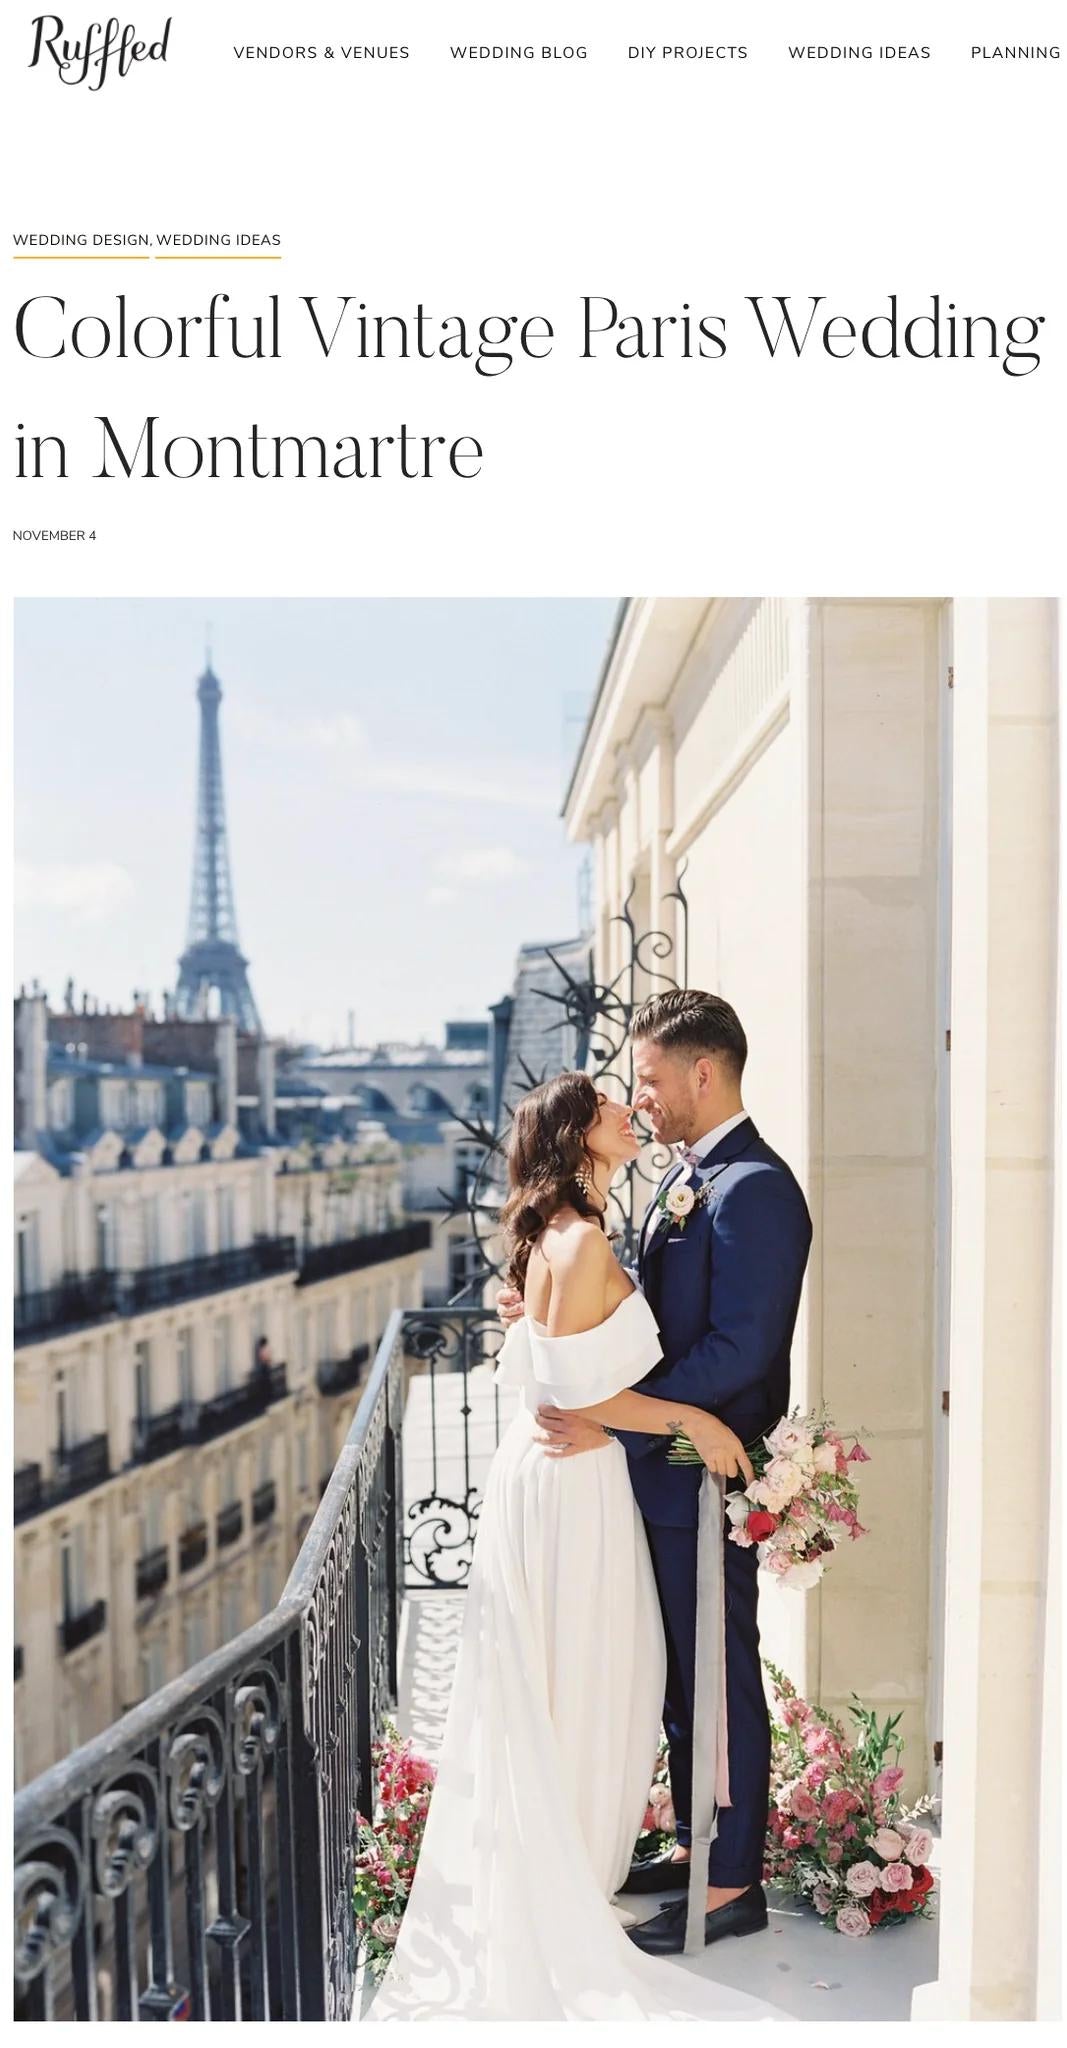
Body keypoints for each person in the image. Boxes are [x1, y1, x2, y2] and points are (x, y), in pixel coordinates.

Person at [366, 1070, 784, 2022]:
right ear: (577, 1136)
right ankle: (572, 1865)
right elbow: (572, 1397)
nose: (628, 1111)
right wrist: (691, 1422)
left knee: (561, 1675)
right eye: (608, 1108)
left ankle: (564, 1853)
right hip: (573, 1478)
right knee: (596, 1673)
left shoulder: (560, 1231)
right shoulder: (582, 1237)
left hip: (554, 1475)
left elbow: (550, 1364)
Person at [528, 991, 813, 1956]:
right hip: (658, 1465)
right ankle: (700, 1841)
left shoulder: (754, 1188)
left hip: (700, 1467)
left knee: (717, 1670)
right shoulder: (683, 1176)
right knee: (679, 1676)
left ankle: (732, 1879)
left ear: (703, 1071)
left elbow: (741, 1348)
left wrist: (625, 1420)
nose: (639, 1098)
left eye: (648, 1079)